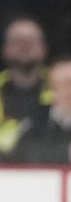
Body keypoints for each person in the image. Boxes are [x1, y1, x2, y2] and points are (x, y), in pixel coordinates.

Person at [0, 16, 51, 159]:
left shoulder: (61, 88)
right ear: (5, 49)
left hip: (49, 171)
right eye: (17, 41)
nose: (24, 46)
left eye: (30, 41)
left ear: (43, 48)